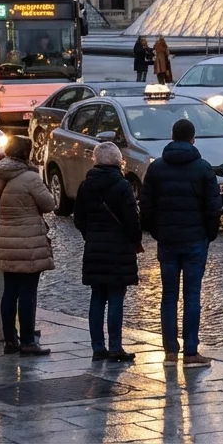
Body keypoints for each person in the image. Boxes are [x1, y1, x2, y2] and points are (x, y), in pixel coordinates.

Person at [140, 119, 221, 369]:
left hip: (167, 241)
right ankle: (191, 351)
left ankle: (170, 352)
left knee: (169, 296)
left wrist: (157, 231)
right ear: (193, 138)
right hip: (195, 240)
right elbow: (213, 208)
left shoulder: (157, 169)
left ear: (172, 137)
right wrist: (209, 234)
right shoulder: (203, 168)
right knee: (192, 295)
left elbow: (146, 206)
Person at [74, 142, 141, 362]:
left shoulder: (86, 186)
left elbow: (79, 219)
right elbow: (132, 221)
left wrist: (91, 235)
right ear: (117, 161)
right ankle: (115, 347)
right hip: (119, 249)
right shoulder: (122, 186)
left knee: (97, 297)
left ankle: (97, 347)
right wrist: (134, 239)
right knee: (115, 298)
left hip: (94, 248)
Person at [0, 136, 55, 355]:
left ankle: (11, 340)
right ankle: (28, 341)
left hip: (6, 239)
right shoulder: (30, 178)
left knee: (9, 291)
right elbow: (49, 204)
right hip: (29, 243)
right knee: (28, 292)